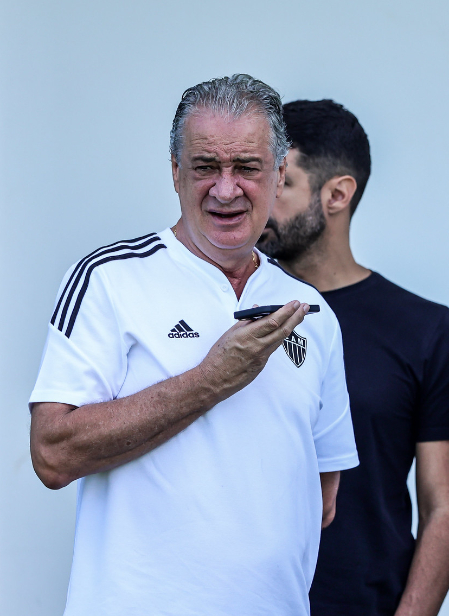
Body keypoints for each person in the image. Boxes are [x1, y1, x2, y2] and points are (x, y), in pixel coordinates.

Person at [28, 75, 359, 616]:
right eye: (205, 166)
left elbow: (322, 496)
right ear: (176, 173)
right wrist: (210, 381)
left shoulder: (312, 312)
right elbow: (53, 453)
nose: (225, 189)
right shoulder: (110, 280)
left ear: (277, 176)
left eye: (246, 168)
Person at [257, 99, 449, 616]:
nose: (255, 200)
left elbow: (445, 509)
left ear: (337, 194)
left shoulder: (424, 329)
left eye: (279, 183)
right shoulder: (224, 311)